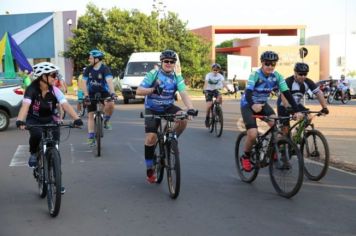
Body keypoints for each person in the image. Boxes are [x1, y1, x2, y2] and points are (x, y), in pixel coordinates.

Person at [15, 62, 83, 193]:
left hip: (50, 118)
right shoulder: (31, 90)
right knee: (36, 135)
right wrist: (20, 120)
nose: (55, 78)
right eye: (52, 75)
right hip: (34, 119)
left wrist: (77, 119)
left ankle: (57, 180)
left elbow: (65, 105)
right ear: (43, 77)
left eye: (56, 75)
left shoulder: (55, 90)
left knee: (55, 149)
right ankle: (34, 153)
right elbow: (25, 107)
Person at [136, 49, 196, 183]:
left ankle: (172, 140)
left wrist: (190, 108)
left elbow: (184, 93)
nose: (169, 64)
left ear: (175, 64)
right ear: (162, 62)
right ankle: (150, 169)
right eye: (166, 61)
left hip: (168, 106)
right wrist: (152, 90)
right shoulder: (154, 74)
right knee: (151, 137)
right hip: (152, 108)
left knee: (183, 118)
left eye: (172, 62)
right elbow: (139, 91)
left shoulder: (177, 77)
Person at [239, 51, 303, 172]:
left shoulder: (277, 76)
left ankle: (273, 151)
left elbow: (287, 94)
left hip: (263, 104)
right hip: (248, 104)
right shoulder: (255, 74)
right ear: (262, 63)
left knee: (276, 127)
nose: (270, 66)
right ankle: (245, 157)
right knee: (252, 134)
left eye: (273, 64)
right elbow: (248, 93)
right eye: (267, 63)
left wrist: (296, 110)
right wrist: (253, 105)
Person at [277, 62, 329, 135]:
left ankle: (297, 133)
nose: (303, 76)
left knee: (308, 117)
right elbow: (283, 96)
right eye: (300, 74)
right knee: (285, 132)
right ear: (295, 73)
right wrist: (290, 110)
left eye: (305, 74)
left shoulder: (308, 82)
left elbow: (319, 93)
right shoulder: (288, 81)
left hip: (296, 104)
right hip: (283, 105)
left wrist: (324, 107)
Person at [82, 49, 117, 146]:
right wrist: (86, 95)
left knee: (111, 104)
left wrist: (113, 93)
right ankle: (91, 136)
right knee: (90, 114)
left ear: (97, 59)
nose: (89, 59)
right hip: (91, 93)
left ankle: (106, 120)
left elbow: (109, 81)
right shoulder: (88, 69)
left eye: (91, 58)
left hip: (104, 92)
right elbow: (84, 83)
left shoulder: (105, 69)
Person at [203, 63, 232, 127]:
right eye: (214, 70)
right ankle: (207, 118)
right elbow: (206, 83)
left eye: (217, 70)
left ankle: (218, 110)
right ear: (212, 70)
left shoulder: (220, 76)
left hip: (215, 90)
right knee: (209, 105)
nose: (215, 71)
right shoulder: (208, 75)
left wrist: (229, 90)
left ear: (219, 70)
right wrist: (204, 89)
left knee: (220, 97)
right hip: (208, 90)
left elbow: (224, 83)